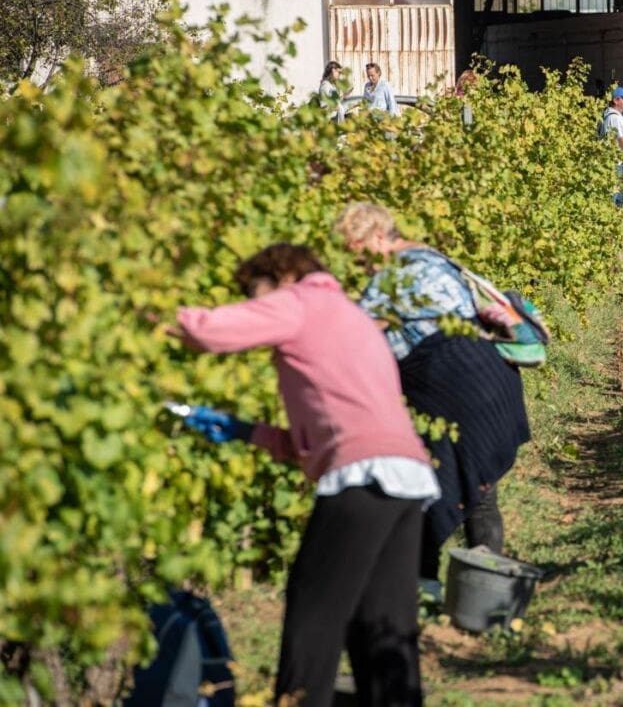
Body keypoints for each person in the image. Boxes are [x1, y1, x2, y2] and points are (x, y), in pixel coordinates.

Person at [172, 243, 438, 706]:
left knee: (313, 609)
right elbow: (321, 439)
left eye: (255, 292)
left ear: (281, 277)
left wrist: (147, 310)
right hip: (406, 474)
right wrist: (245, 431)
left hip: (363, 476)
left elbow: (208, 331)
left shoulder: (301, 301)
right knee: (381, 622)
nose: (254, 304)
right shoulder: (350, 316)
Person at [334, 203, 531, 606]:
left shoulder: (392, 279)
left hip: (458, 391)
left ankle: (426, 590)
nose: (357, 264)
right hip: (491, 381)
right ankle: (484, 597)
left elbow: (353, 336)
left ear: (377, 238)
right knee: (478, 489)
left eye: (358, 253)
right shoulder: (432, 258)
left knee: (431, 490)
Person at [597, 86, 623, 207]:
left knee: (617, 196)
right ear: (616, 100)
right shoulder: (616, 118)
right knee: (615, 198)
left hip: (608, 161)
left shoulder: (606, 114)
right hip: (614, 163)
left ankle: (614, 216)